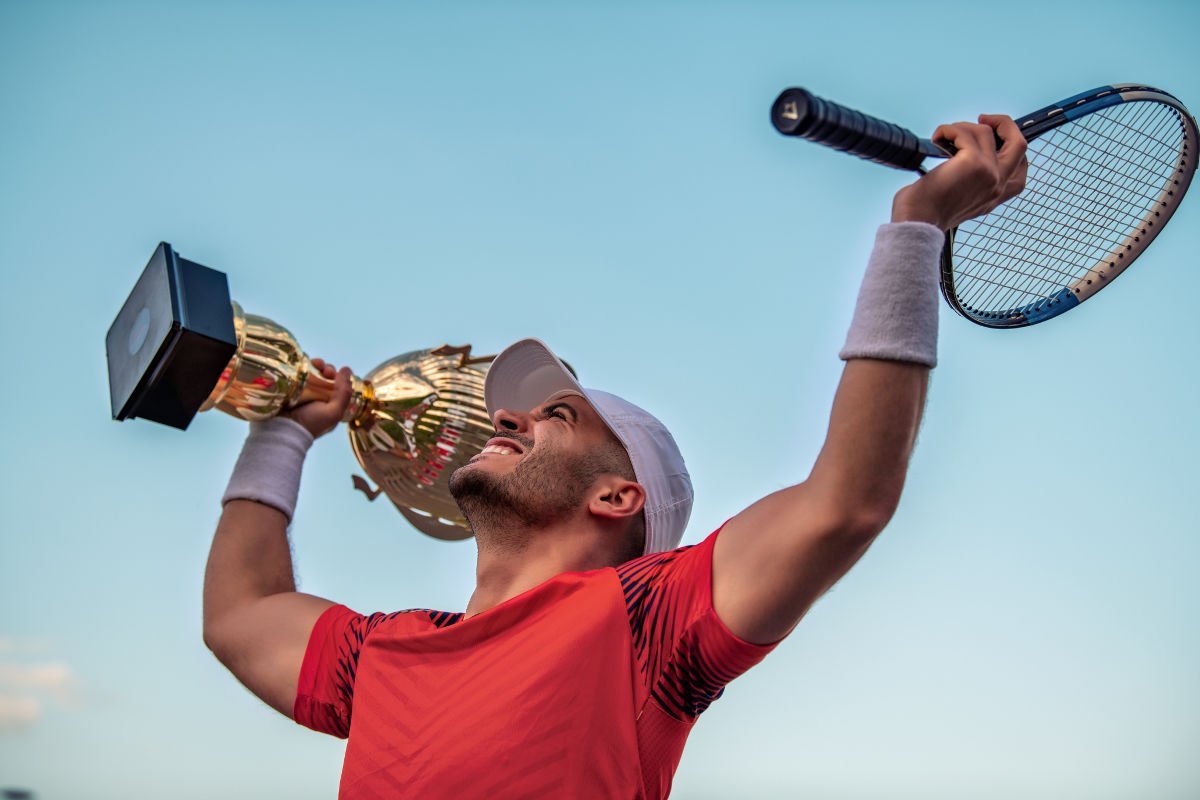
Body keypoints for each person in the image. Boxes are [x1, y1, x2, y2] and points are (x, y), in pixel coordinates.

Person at [202, 115, 1028, 798]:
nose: (513, 416)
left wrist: (916, 229)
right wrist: (282, 429)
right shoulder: (386, 654)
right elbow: (239, 616)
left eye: (557, 414)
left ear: (616, 498)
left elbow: (844, 502)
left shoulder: (643, 622)